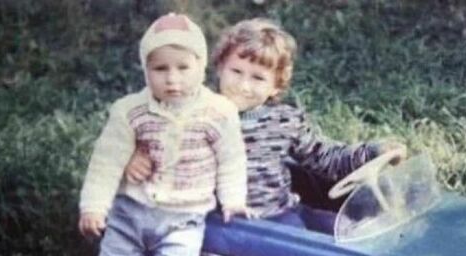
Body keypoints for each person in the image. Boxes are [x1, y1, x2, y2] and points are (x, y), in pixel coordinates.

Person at [127, 17, 406, 230]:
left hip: (282, 214)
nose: (243, 85)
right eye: (236, 71)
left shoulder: (284, 120)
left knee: (348, 231)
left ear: (275, 86)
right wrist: (138, 155)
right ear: (220, 69)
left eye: (258, 78)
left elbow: (325, 157)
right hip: (230, 225)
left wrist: (372, 151)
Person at [79, 13, 247, 256]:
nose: (173, 79)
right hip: (130, 211)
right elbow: (107, 159)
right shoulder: (130, 111)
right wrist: (94, 206)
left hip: (184, 217)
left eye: (183, 68)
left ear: (201, 65)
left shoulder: (218, 112)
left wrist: (233, 198)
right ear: (146, 70)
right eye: (160, 69)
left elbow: (231, 158)